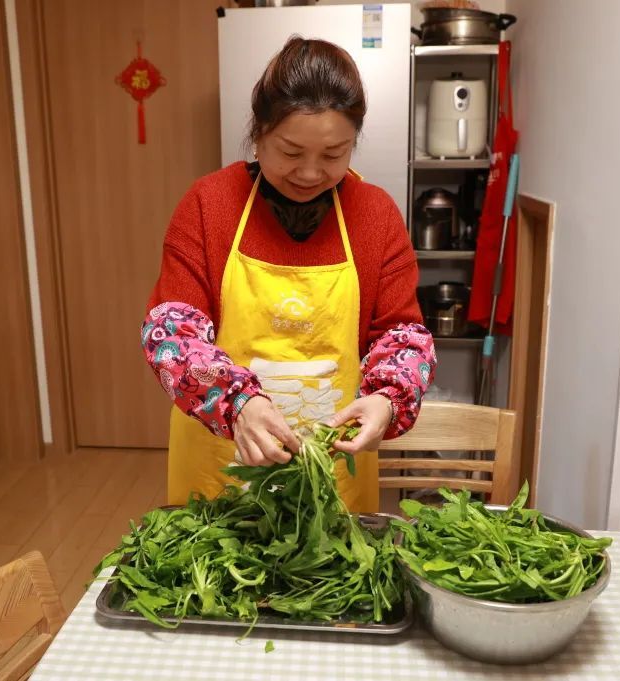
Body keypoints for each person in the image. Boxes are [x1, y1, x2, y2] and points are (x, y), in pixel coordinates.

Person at [143, 37, 435, 513]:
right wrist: (237, 405)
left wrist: (387, 398)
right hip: (222, 467)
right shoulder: (208, 205)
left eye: (334, 154)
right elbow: (169, 333)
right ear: (259, 134)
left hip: (333, 473)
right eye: (291, 152)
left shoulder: (375, 215)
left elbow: (403, 335)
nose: (310, 172)